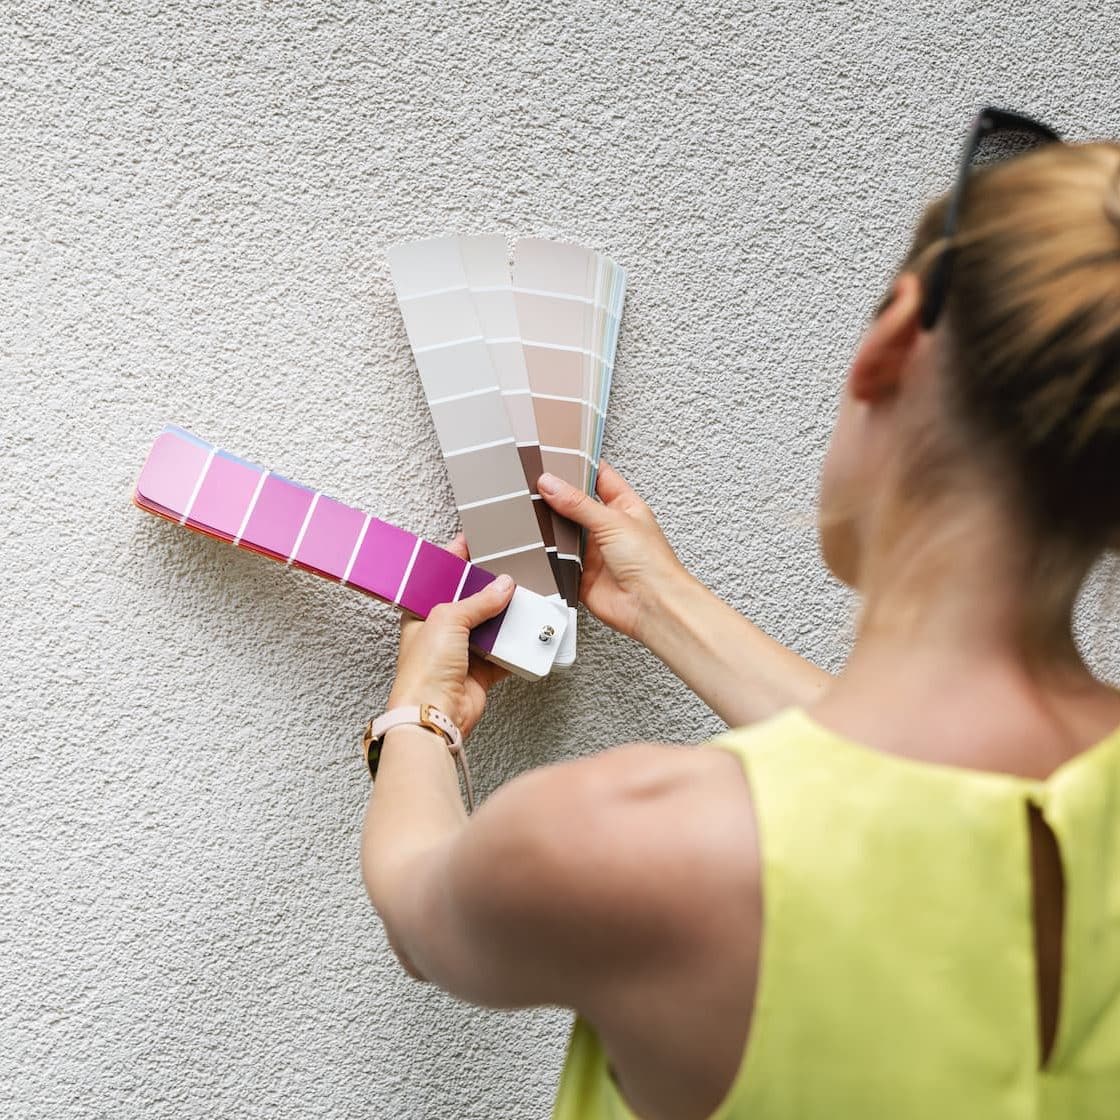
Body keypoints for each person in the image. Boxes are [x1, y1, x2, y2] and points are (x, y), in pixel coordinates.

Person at [360, 113, 1120, 1118]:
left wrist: (419, 718)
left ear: (892, 342)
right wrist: (663, 604)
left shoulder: (636, 843)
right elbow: (919, 804)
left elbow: (420, 906)